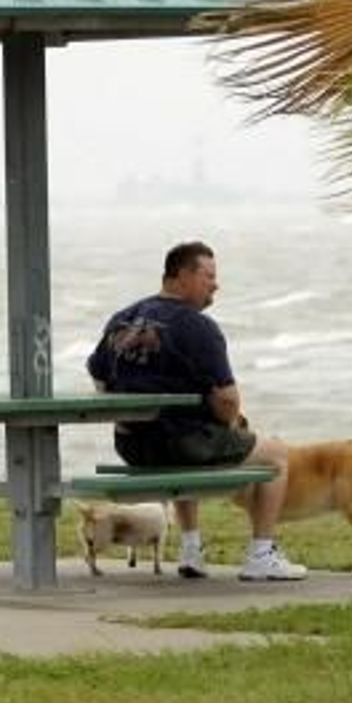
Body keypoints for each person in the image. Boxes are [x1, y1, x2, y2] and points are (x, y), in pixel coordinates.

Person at [86, 240, 307, 582]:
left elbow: (99, 378)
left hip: (133, 446)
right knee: (276, 454)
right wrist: (231, 423)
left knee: (188, 442)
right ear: (183, 275)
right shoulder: (197, 327)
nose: (215, 285)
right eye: (209, 276)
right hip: (182, 445)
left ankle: (191, 549)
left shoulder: (121, 320)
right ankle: (262, 554)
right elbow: (228, 401)